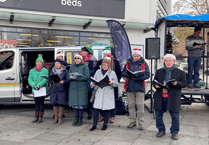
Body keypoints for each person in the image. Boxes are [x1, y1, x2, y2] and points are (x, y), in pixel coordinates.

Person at [153, 54, 187, 140]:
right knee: (158, 115)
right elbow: (154, 81)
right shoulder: (159, 71)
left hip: (173, 97)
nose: (168, 62)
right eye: (166, 61)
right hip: (160, 97)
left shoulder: (180, 72)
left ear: (174, 61)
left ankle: (174, 132)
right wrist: (155, 85)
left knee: (175, 116)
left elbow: (185, 83)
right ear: (164, 61)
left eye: (170, 61)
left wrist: (176, 84)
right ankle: (161, 129)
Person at [122, 48, 150, 130]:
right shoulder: (128, 63)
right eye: (134, 56)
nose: (136, 57)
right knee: (131, 105)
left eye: (137, 56)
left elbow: (148, 74)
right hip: (129, 87)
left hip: (139, 87)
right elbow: (123, 72)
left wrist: (139, 78)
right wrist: (127, 75)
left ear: (140, 55)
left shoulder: (144, 63)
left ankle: (141, 123)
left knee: (140, 105)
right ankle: (132, 121)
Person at [89, 56, 119, 131]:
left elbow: (116, 83)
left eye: (106, 65)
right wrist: (92, 84)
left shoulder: (112, 73)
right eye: (103, 65)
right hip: (99, 92)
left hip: (108, 93)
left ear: (109, 66)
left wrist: (112, 82)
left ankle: (105, 124)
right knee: (96, 110)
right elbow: (94, 80)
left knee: (107, 110)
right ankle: (94, 125)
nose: (104, 66)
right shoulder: (98, 71)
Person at [94, 46, 121, 123]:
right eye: (105, 54)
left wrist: (113, 81)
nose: (106, 56)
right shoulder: (100, 62)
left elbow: (119, 74)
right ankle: (102, 115)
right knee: (102, 100)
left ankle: (112, 116)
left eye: (107, 54)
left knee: (112, 100)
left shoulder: (116, 62)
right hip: (102, 86)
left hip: (111, 85)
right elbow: (96, 73)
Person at [67, 53, 90, 126]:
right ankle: (76, 118)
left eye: (78, 58)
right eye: (75, 58)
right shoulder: (72, 67)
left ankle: (80, 119)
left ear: (81, 59)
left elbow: (87, 76)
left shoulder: (85, 66)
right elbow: (67, 77)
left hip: (81, 88)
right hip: (73, 88)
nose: (77, 60)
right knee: (75, 104)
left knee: (80, 104)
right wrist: (70, 77)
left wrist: (77, 78)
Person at [28, 54, 48, 123]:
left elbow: (45, 79)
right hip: (35, 90)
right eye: (37, 62)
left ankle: (40, 117)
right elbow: (29, 79)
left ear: (42, 63)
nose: (38, 63)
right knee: (36, 103)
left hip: (42, 89)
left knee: (41, 103)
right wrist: (34, 85)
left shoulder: (45, 70)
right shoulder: (32, 70)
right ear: (36, 62)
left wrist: (39, 85)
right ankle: (36, 117)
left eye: (40, 62)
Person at [50, 59, 69, 125]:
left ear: (61, 64)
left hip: (61, 89)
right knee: (54, 104)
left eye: (58, 63)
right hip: (54, 89)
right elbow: (50, 79)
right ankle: (56, 118)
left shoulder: (65, 71)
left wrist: (64, 81)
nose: (57, 65)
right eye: (55, 64)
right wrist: (50, 81)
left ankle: (60, 118)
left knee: (61, 103)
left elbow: (68, 79)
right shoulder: (52, 71)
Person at [81, 44, 97, 120]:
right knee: (82, 98)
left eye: (85, 51)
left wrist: (85, 73)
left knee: (89, 99)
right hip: (81, 81)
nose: (83, 52)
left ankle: (89, 113)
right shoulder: (80, 59)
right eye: (83, 51)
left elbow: (93, 71)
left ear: (88, 52)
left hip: (88, 81)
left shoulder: (92, 59)